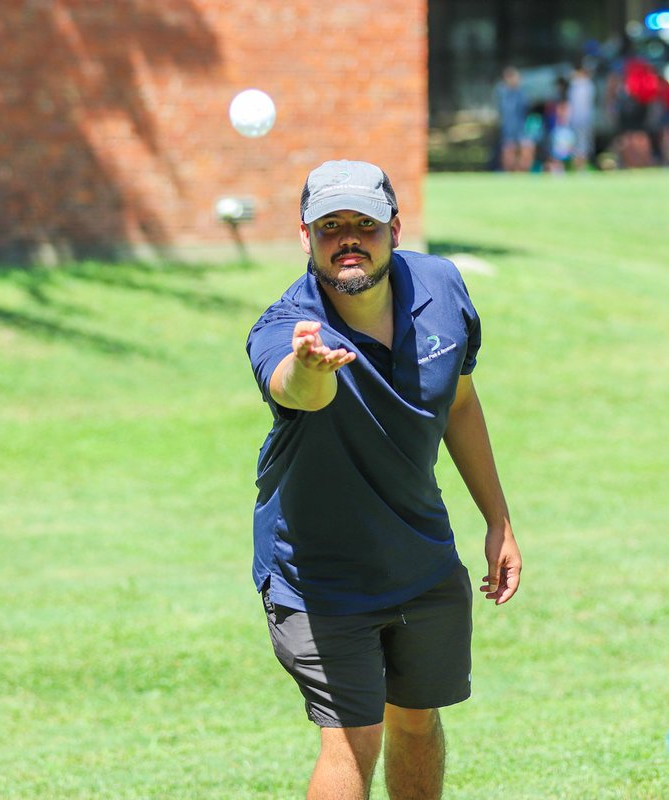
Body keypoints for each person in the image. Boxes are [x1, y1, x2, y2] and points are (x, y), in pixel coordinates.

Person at [246, 160, 523, 800]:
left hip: (420, 561)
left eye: (364, 224)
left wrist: (498, 521)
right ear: (306, 238)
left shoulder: (443, 288)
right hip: (320, 576)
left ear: (394, 228)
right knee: (354, 737)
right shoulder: (286, 327)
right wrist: (314, 367)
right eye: (331, 227)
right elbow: (297, 390)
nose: (349, 238)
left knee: (418, 722)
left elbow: (458, 401)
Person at [495, 66, 535, 172]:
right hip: (508, 128)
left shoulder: (522, 93)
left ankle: (523, 173)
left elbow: (528, 110)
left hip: (523, 128)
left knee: (526, 151)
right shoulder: (503, 93)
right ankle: (510, 175)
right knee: (508, 154)